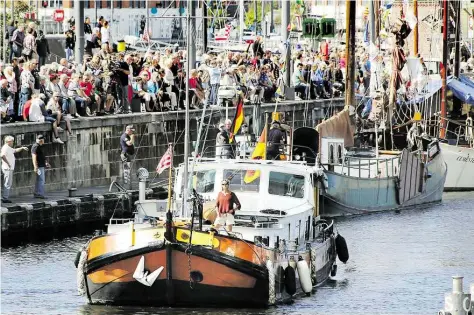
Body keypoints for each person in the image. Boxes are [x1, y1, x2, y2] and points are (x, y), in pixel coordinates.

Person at [1, 136, 29, 203]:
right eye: (12, 141)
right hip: (7, 168)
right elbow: (2, 155)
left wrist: (22, 148)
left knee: (8, 183)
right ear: (9, 142)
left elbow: (15, 150)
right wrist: (8, 163)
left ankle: (5, 197)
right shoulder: (5, 148)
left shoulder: (9, 148)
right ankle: (5, 198)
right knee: (7, 183)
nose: (13, 142)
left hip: (9, 168)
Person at [31, 134, 49, 199]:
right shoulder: (36, 146)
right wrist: (35, 166)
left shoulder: (39, 146)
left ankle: (37, 193)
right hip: (39, 166)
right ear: (41, 140)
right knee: (41, 180)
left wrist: (46, 162)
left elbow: (42, 156)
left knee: (39, 180)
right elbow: (34, 156)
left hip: (41, 165)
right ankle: (40, 194)